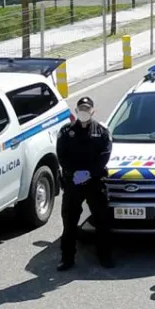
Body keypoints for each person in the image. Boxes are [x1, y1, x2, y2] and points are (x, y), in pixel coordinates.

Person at [56, 96, 114, 270]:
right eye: (81, 108)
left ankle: (105, 257)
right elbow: (62, 155)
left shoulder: (102, 131)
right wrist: (75, 173)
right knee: (69, 222)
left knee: (102, 221)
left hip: (95, 182)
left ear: (93, 111)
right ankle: (67, 259)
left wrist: (88, 173)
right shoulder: (66, 131)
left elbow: (105, 155)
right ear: (76, 111)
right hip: (73, 182)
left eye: (87, 109)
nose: (84, 112)